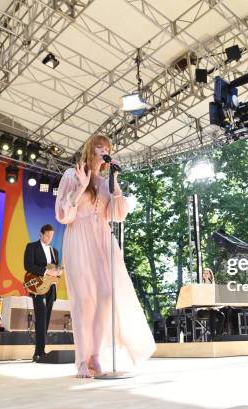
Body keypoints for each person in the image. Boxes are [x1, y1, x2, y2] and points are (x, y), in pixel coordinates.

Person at [55, 134, 156, 378]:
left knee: (107, 296)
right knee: (83, 300)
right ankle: (82, 360)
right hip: (79, 237)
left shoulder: (105, 182)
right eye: (99, 146)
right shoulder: (72, 174)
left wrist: (115, 181)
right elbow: (63, 215)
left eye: (107, 148)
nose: (103, 151)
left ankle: (96, 356)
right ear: (90, 149)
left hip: (102, 239)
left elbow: (117, 214)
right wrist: (81, 186)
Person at [24, 224, 62, 362]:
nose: (49, 238)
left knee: (46, 318)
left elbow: (55, 270)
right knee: (40, 317)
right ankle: (39, 352)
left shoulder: (55, 251)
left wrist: (58, 273)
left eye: (51, 236)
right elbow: (28, 265)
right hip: (37, 287)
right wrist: (46, 271)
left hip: (51, 288)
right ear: (41, 234)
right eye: (47, 235)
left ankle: (40, 351)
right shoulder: (32, 247)